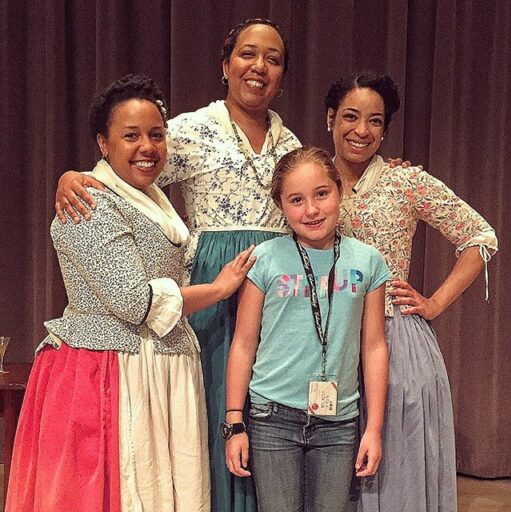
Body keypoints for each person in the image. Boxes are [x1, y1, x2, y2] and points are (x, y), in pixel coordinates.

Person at [53, 18, 301, 512]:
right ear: (225, 64)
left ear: (282, 74)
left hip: (272, 282)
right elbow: (127, 171)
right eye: (248, 54)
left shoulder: (291, 145)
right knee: (210, 407)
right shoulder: (186, 130)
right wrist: (70, 176)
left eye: (273, 59)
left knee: (267, 404)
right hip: (212, 278)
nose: (259, 67)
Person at [6, 74, 256, 512]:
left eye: (156, 135)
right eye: (131, 136)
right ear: (104, 143)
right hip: (108, 370)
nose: (147, 147)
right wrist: (217, 290)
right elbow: (133, 302)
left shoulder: (153, 200)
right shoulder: (90, 202)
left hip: (158, 364)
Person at [324, 72, 498, 512]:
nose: (362, 131)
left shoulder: (406, 181)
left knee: (393, 475)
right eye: (350, 116)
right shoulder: (311, 178)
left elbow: (481, 236)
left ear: (385, 130)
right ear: (330, 119)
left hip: (396, 340)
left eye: (375, 121)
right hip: (324, 337)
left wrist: (434, 302)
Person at [223, 146, 391, 512]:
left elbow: (374, 346)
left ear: (338, 191)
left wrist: (373, 429)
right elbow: (244, 343)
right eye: (296, 200)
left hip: (338, 422)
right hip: (272, 417)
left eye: (321, 194)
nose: (311, 210)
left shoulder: (368, 260)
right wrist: (235, 423)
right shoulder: (264, 259)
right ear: (282, 206)